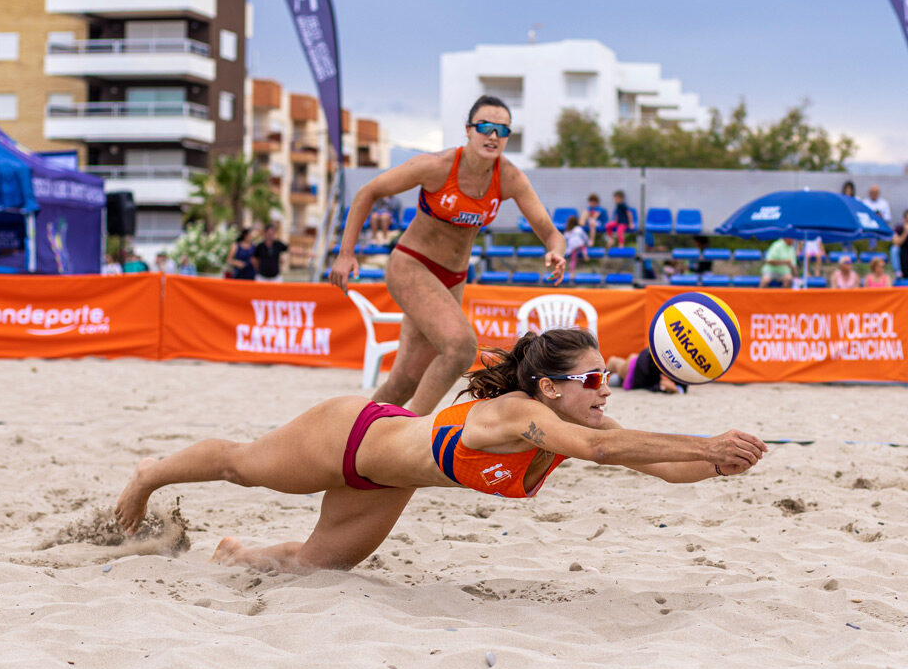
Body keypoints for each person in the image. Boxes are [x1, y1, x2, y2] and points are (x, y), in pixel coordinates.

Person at [115, 329, 767, 573]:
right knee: (242, 466)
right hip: (350, 436)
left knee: (314, 567)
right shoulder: (521, 414)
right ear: (548, 388)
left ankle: (235, 553)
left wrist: (715, 464)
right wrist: (705, 441)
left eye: (606, 377)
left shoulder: (582, 429)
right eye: (592, 379)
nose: (604, 389)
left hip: (390, 479)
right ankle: (150, 475)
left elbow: (661, 467)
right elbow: (603, 451)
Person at [330, 95, 566, 415]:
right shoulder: (437, 166)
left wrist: (555, 251)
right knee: (460, 347)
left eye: (502, 129)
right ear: (468, 130)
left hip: (452, 278)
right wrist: (346, 253)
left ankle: (350, 432)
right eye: (485, 126)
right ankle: (414, 433)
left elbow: (551, 232)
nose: (493, 135)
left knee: (406, 379)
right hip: (412, 265)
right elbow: (367, 192)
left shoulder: (508, 177)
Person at [606, 347, 687, 394]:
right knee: (616, 365)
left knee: (615, 379)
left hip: (641, 373)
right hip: (636, 368)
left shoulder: (684, 372)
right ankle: (610, 365)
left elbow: (682, 386)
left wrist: (675, 389)